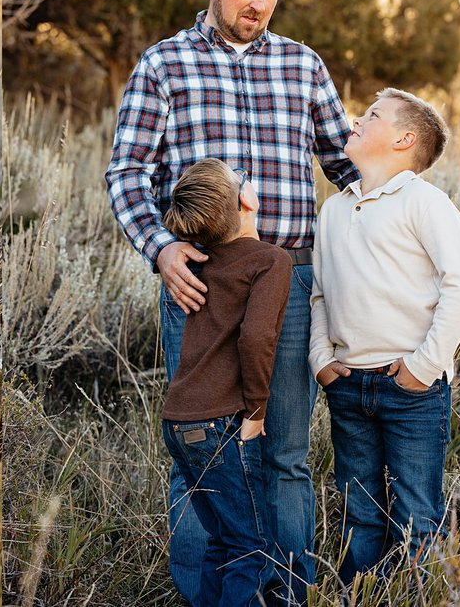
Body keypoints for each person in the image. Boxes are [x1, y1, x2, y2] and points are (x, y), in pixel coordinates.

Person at [106, 0, 359, 602]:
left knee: (284, 453)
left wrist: (407, 190)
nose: (260, 3)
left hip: (289, 280)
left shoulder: (303, 66)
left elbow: (347, 164)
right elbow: (128, 170)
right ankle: (207, 594)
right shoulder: (165, 65)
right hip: (201, 285)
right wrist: (160, 247)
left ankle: (284, 592)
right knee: (204, 448)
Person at [309, 88, 460, 584]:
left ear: (404, 139)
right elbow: (319, 293)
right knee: (360, 512)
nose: (357, 119)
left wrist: (423, 366)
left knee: (416, 517)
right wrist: (321, 358)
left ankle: (416, 593)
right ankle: (357, 594)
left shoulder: (424, 202)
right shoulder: (334, 210)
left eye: (373, 115)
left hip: (411, 389)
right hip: (346, 384)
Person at [161, 158, 291, 606]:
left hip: (178, 422)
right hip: (219, 425)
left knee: (222, 542)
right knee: (250, 549)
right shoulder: (271, 260)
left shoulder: (200, 260)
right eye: (244, 178)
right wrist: (256, 411)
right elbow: (257, 337)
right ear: (247, 199)